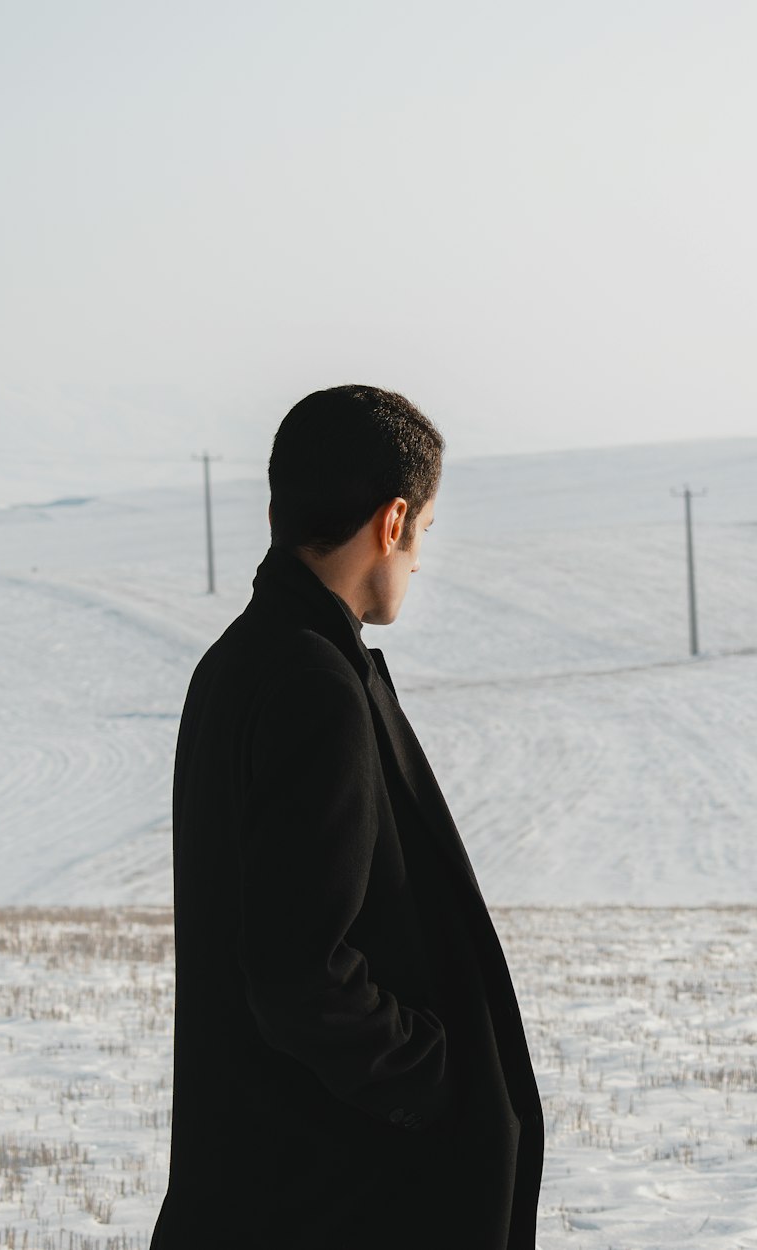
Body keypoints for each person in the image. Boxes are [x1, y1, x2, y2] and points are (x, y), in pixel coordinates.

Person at [149, 385, 544, 1250]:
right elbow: (298, 970)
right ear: (393, 520)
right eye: (426, 535)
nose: (418, 559)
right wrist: (440, 1082)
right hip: (331, 1196)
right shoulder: (311, 685)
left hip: (257, 1187)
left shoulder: (236, 663)